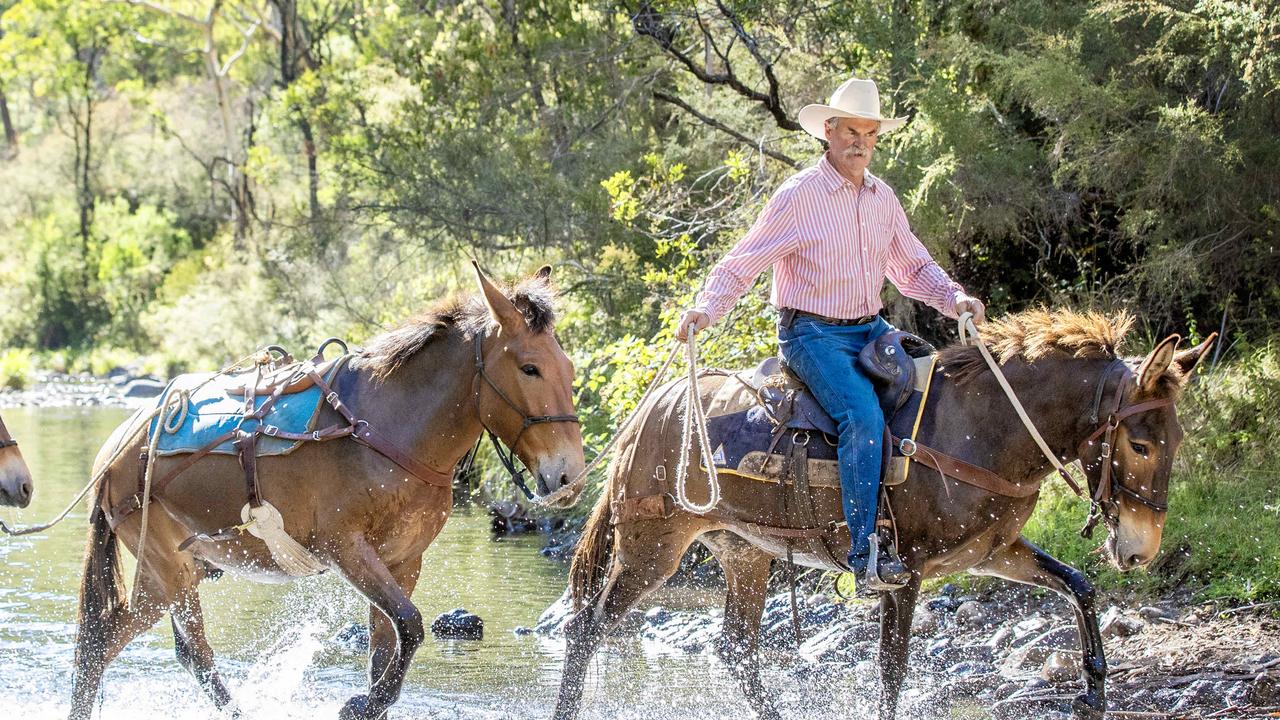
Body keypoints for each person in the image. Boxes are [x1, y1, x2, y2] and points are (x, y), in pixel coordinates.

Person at [676, 78, 986, 590]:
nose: (859, 142)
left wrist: (953, 299)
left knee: (933, 389)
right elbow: (744, 261)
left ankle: (913, 523)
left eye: (869, 133)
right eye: (850, 131)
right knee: (860, 414)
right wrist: (705, 309)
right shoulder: (799, 197)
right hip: (811, 334)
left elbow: (912, 267)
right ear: (829, 131)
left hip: (869, 328)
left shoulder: (882, 198)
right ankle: (862, 553)